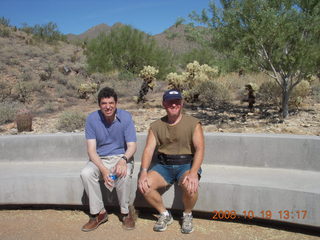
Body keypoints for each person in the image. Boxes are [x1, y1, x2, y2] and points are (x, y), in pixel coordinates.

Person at [138, 89, 205, 234]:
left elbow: (200, 149)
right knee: (145, 185)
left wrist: (193, 173)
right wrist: (143, 172)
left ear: (181, 103)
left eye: (177, 102)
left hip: (186, 164)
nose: (173, 105)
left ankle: (187, 215)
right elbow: (149, 150)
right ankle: (164, 214)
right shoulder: (156, 126)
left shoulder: (193, 123)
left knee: (191, 186)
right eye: (170, 102)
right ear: (164, 104)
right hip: (164, 166)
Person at [80, 87, 137, 231]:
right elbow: (91, 151)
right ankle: (99, 213)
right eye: (104, 103)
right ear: (99, 105)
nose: (108, 106)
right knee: (86, 173)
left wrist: (123, 160)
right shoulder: (92, 119)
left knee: (123, 174)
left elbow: (132, 146)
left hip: (121, 157)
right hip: (100, 158)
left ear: (116, 103)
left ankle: (125, 213)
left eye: (111, 103)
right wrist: (104, 170)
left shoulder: (126, 117)